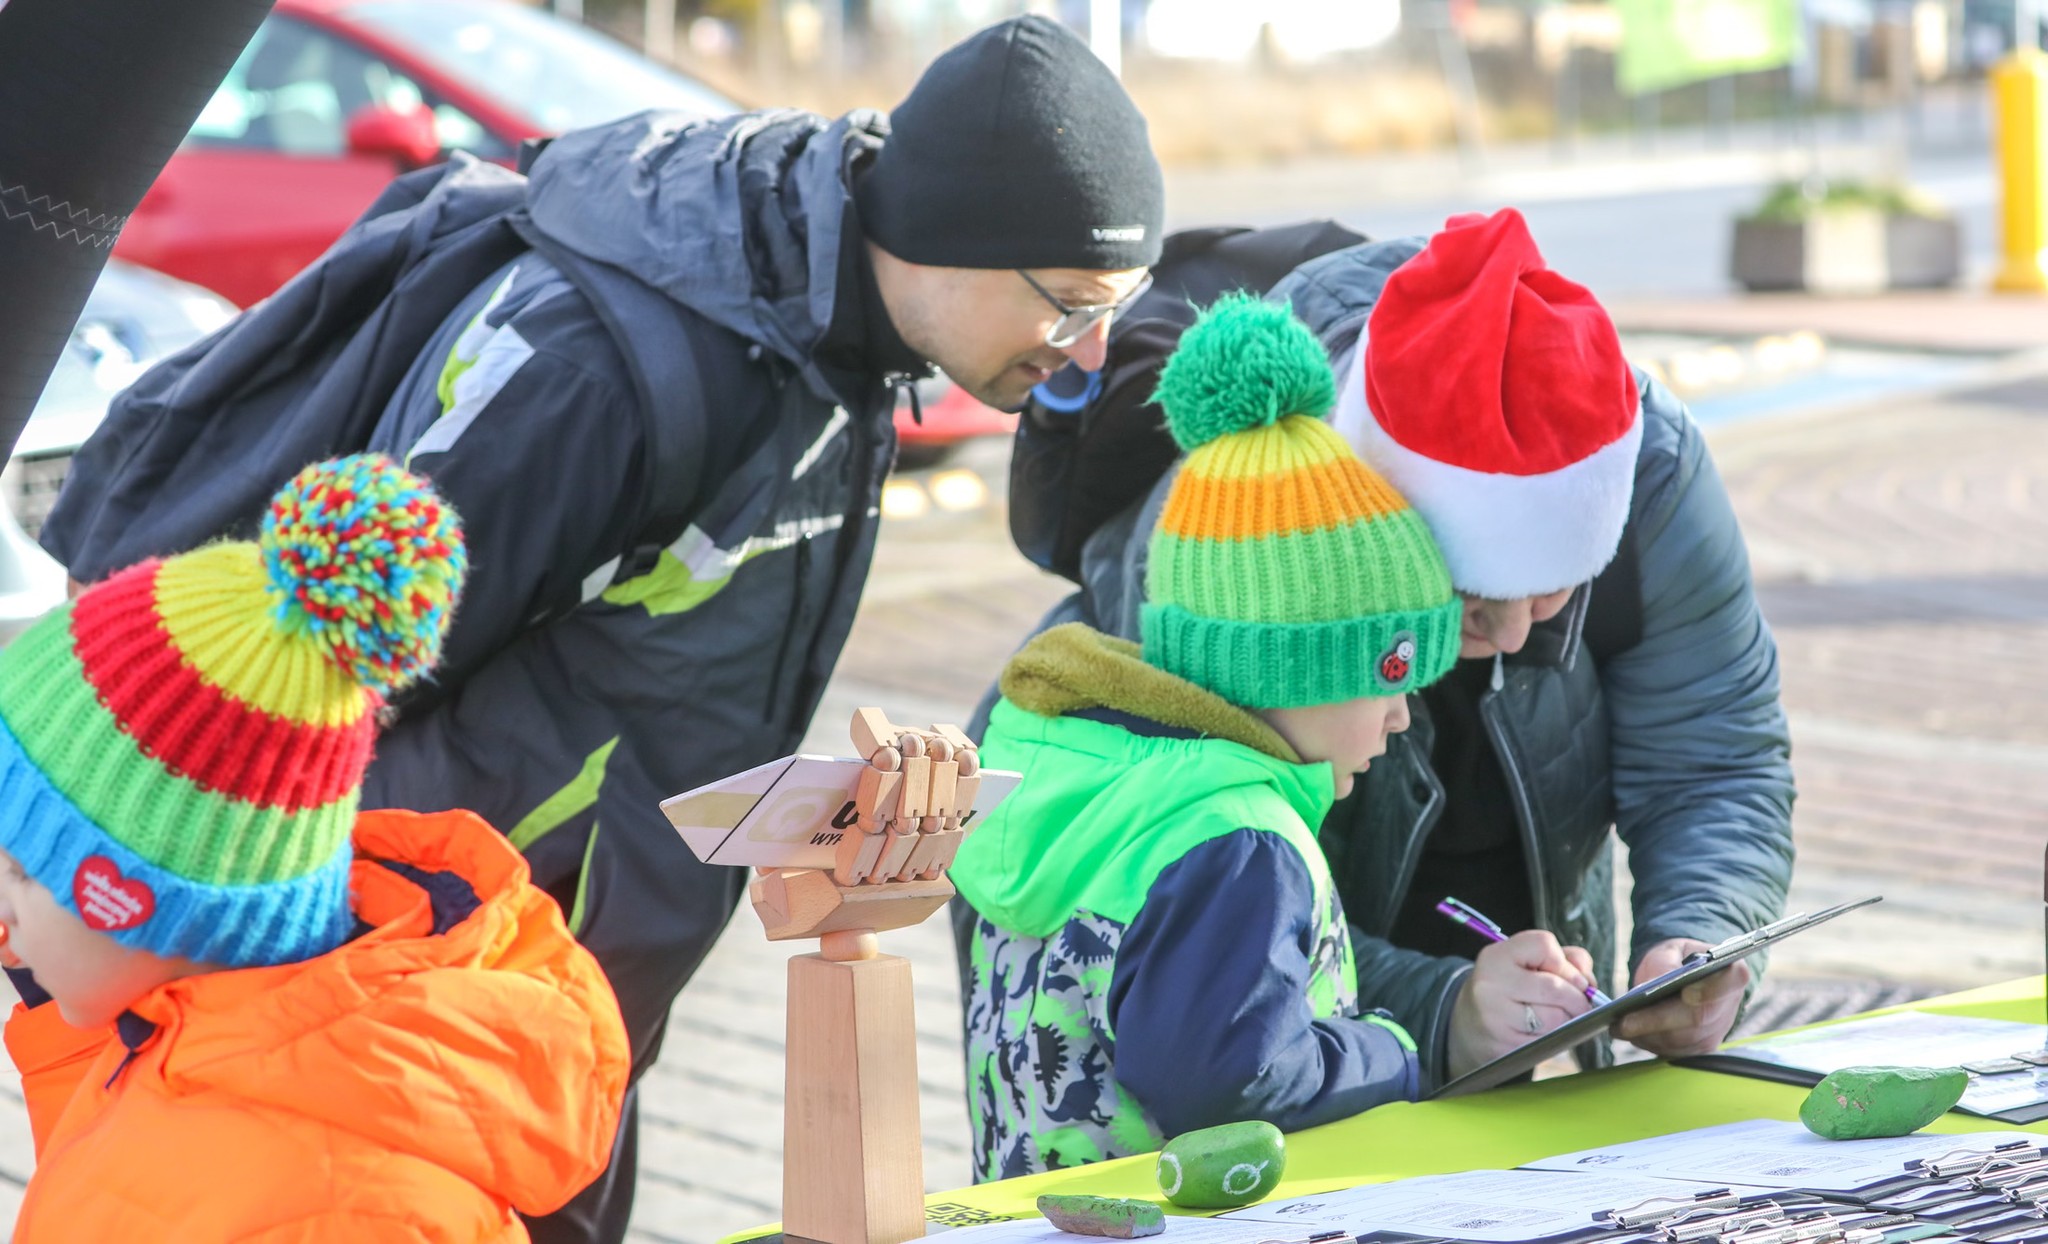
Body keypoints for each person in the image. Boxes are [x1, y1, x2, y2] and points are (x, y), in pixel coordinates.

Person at [39, 16, 1164, 1238]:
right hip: (409, 1036)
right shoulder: (608, 368)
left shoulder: (833, 331)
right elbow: (332, 684)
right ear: (954, 236)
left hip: (560, 1012)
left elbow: (658, 674)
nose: (1088, 347)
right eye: (1071, 303)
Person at [973, 209, 1795, 1076]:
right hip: (1254, 1046)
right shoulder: (1242, 524)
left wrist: (1703, 937)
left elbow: (1716, 755)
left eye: (1554, 591)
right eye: (1468, 603)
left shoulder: (1645, 459)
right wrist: (1443, 1011)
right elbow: (1205, 921)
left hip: (1465, 1004)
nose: (1512, 636)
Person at [951, 295, 1605, 1180]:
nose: (1403, 716)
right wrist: (1392, 1050)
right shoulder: (1235, 841)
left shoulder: (1081, 763)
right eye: (1391, 681)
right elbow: (1231, 1084)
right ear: (1299, 672)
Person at [0, 455, 631, 1241]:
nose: (4, 907)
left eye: (22, 871)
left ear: (144, 907)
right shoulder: (176, 1014)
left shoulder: (351, 1214)